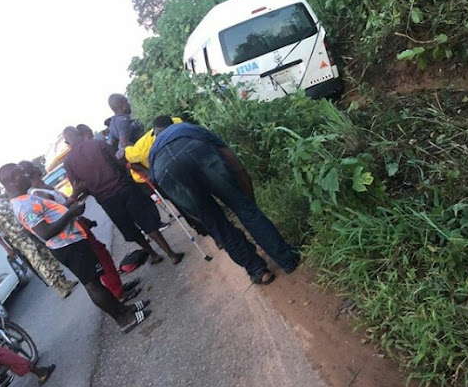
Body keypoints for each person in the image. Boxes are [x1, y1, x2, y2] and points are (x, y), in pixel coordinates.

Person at [0, 164, 152, 334]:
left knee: (95, 282)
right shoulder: (24, 205)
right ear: (13, 180)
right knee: (93, 285)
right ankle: (124, 320)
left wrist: (71, 208)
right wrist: (71, 213)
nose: (28, 177)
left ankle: (124, 310)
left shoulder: (25, 199)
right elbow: (45, 233)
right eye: (23, 175)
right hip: (68, 246)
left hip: (71, 242)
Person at [149, 121, 300, 285]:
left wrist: (210, 224)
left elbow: (183, 207)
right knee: (245, 209)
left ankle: (259, 271)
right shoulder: (186, 128)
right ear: (171, 124)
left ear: (156, 136)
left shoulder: (153, 155)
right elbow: (234, 163)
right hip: (195, 148)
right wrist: (248, 203)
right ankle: (287, 260)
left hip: (165, 171)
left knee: (219, 226)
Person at [20, 159, 141, 303]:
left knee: (103, 255)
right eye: (32, 166)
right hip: (70, 236)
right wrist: (74, 196)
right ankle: (118, 293)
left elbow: (60, 210)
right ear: (29, 173)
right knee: (100, 259)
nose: (36, 166)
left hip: (77, 226)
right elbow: (57, 216)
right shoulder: (36, 193)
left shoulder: (43, 187)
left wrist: (82, 219)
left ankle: (118, 287)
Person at [62, 127, 184, 267]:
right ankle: (171, 254)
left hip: (106, 199)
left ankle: (153, 254)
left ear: (67, 142)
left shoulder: (68, 162)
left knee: (130, 229)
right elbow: (119, 160)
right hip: (124, 187)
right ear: (79, 133)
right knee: (146, 221)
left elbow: (78, 186)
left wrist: (93, 188)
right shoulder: (98, 144)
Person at [0, 189, 77, 298]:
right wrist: (7, 248)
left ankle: (64, 281)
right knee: (39, 262)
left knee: (47, 256)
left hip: (31, 230)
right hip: (20, 239)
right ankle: (58, 287)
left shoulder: (6, 199)